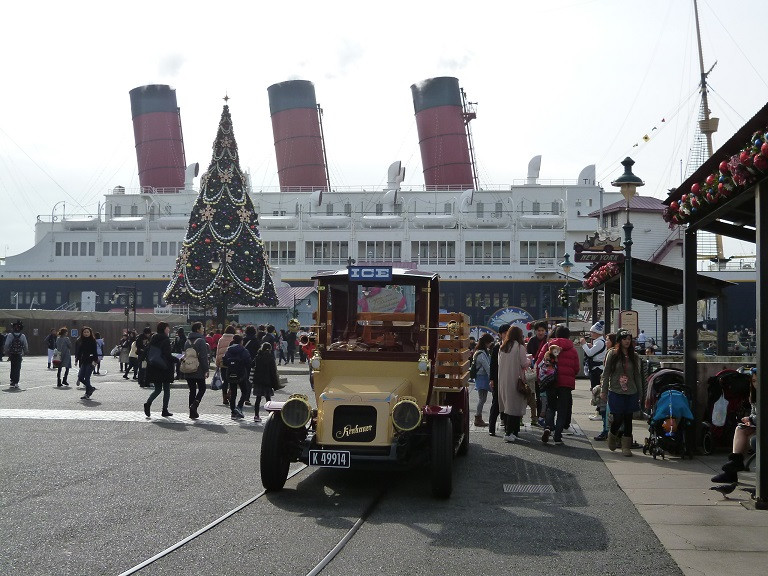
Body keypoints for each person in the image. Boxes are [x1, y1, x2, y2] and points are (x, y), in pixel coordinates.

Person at [711, 368, 758, 483]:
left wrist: (751, 419)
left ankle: (732, 470)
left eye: (758, 381)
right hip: (758, 426)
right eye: (754, 381)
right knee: (741, 429)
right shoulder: (754, 394)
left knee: (746, 434)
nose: (756, 384)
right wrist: (750, 419)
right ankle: (734, 465)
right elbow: (754, 413)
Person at [601, 328, 643, 456]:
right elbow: (606, 373)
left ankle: (626, 447)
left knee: (628, 418)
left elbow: (637, 375)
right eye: (624, 339)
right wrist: (603, 391)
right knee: (618, 417)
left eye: (629, 339)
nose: (627, 341)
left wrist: (640, 393)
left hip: (631, 391)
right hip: (615, 390)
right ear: (619, 340)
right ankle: (612, 435)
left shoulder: (634, 356)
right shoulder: (612, 354)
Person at [536, 325, 579, 446]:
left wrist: (541, 379)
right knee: (562, 409)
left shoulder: (548, 346)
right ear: (568, 335)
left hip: (551, 382)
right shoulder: (573, 349)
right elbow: (576, 368)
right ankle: (558, 435)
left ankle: (548, 427)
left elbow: (539, 363)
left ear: (555, 334)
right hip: (566, 383)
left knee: (551, 406)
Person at [497, 326, 531, 442]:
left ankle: (510, 431)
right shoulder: (519, 347)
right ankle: (509, 433)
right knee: (514, 406)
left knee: (506, 405)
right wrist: (529, 360)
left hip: (502, 380)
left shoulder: (502, 347)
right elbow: (523, 363)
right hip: (515, 380)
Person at [143, 322, 175, 418]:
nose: (169, 330)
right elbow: (168, 355)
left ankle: (148, 403)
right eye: (168, 328)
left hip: (154, 366)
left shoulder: (153, 338)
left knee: (157, 389)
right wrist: (177, 359)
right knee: (166, 389)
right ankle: (164, 410)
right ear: (165, 329)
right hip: (164, 367)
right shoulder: (165, 340)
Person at [488, 324, 510, 436]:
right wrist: (491, 378)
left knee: (507, 403)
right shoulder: (497, 347)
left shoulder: (512, 346)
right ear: (500, 334)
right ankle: (491, 427)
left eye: (508, 332)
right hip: (497, 379)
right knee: (496, 403)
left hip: (508, 379)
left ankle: (507, 427)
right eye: (504, 333)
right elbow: (492, 365)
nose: (506, 335)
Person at [223, 334, 252, 419]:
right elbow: (248, 362)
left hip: (230, 373)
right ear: (241, 341)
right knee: (245, 391)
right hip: (241, 373)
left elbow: (224, 361)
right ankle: (239, 407)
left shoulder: (229, 350)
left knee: (233, 392)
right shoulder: (243, 350)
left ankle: (233, 412)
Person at [527, 321, 549, 424]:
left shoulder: (548, 341)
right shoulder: (532, 341)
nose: (540, 332)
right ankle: (535, 416)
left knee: (543, 395)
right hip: (534, 371)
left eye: (542, 330)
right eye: (538, 330)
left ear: (545, 331)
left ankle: (542, 415)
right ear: (535, 331)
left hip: (546, 373)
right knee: (533, 395)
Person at [251, 341, 279, 422]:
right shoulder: (270, 358)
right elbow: (273, 372)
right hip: (267, 381)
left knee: (258, 399)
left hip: (258, 380)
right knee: (268, 399)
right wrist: (275, 384)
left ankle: (256, 415)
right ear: (270, 349)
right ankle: (271, 416)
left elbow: (252, 365)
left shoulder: (258, 356)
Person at [472, 334, 494, 427]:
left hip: (481, 377)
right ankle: (478, 417)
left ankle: (478, 417)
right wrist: (492, 378)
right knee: (482, 399)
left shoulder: (480, 351)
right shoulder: (481, 353)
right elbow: (487, 367)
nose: (490, 345)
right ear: (486, 342)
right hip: (482, 377)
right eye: (490, 343)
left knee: (483, 398)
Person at [75, 326, 99, 400]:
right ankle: (90, 388)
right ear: (82, 333)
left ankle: (87, 394)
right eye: (84, 332)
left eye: (87, 332)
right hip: (84, 361)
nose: (86, 333)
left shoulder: (93, 340)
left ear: (90, 333)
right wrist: (76, 359)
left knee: (87, 377)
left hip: (91, 361)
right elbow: (79, 351)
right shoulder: (82, 340)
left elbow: (95, 352)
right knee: (80, 377)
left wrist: (95, 361)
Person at [4, 321, 29, 388]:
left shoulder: (10, 335)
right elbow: (25, 344)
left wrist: (6, 352)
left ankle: (12, 381)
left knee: (12, 367)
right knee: (18, 368)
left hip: (12, 354)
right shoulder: (22, 336)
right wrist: (26, 351)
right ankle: (16, 382)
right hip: (19, 354)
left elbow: (6, 344)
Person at [216, 326, 237, 405]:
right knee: (233, 379)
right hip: (232, 362)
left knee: (225, 380)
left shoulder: (221, 339)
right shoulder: (234, 339)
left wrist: (217, 362)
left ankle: (224, 397)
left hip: (223, 362)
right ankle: (229, 394)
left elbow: (218, 351)